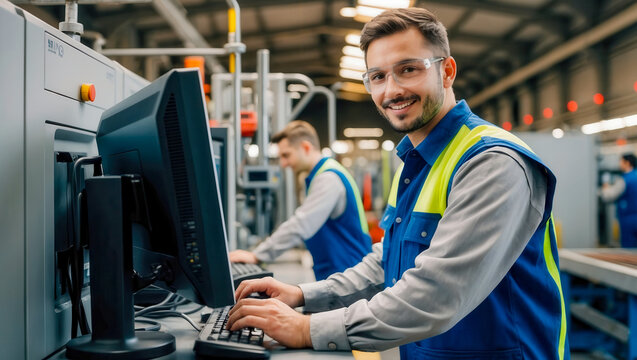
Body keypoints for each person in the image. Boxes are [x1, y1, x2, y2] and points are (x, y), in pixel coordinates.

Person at [227, 8, 568, 359]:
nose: (392, 90)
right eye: (377, 76)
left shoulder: (491, 163)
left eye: (408, 69)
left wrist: (306, 327)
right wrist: (303, 295)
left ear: (446, 71)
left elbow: (437, 295)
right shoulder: (415, 161)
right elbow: (387, 260)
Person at [229, 120, 372, 280]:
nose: (283, 164)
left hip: (347, 273)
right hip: (338, 270)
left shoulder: (328, 178)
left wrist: (258, 256)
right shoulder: (321, 175)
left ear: (305, 147)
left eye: (286, 155)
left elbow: (302, 224)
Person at [601, 153, 637, 247]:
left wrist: (605, 185)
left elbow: (607, 196)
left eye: (621, 161)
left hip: (628, 219)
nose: (619, 164)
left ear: (627, 163)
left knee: (629, 250)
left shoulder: (624, 180)